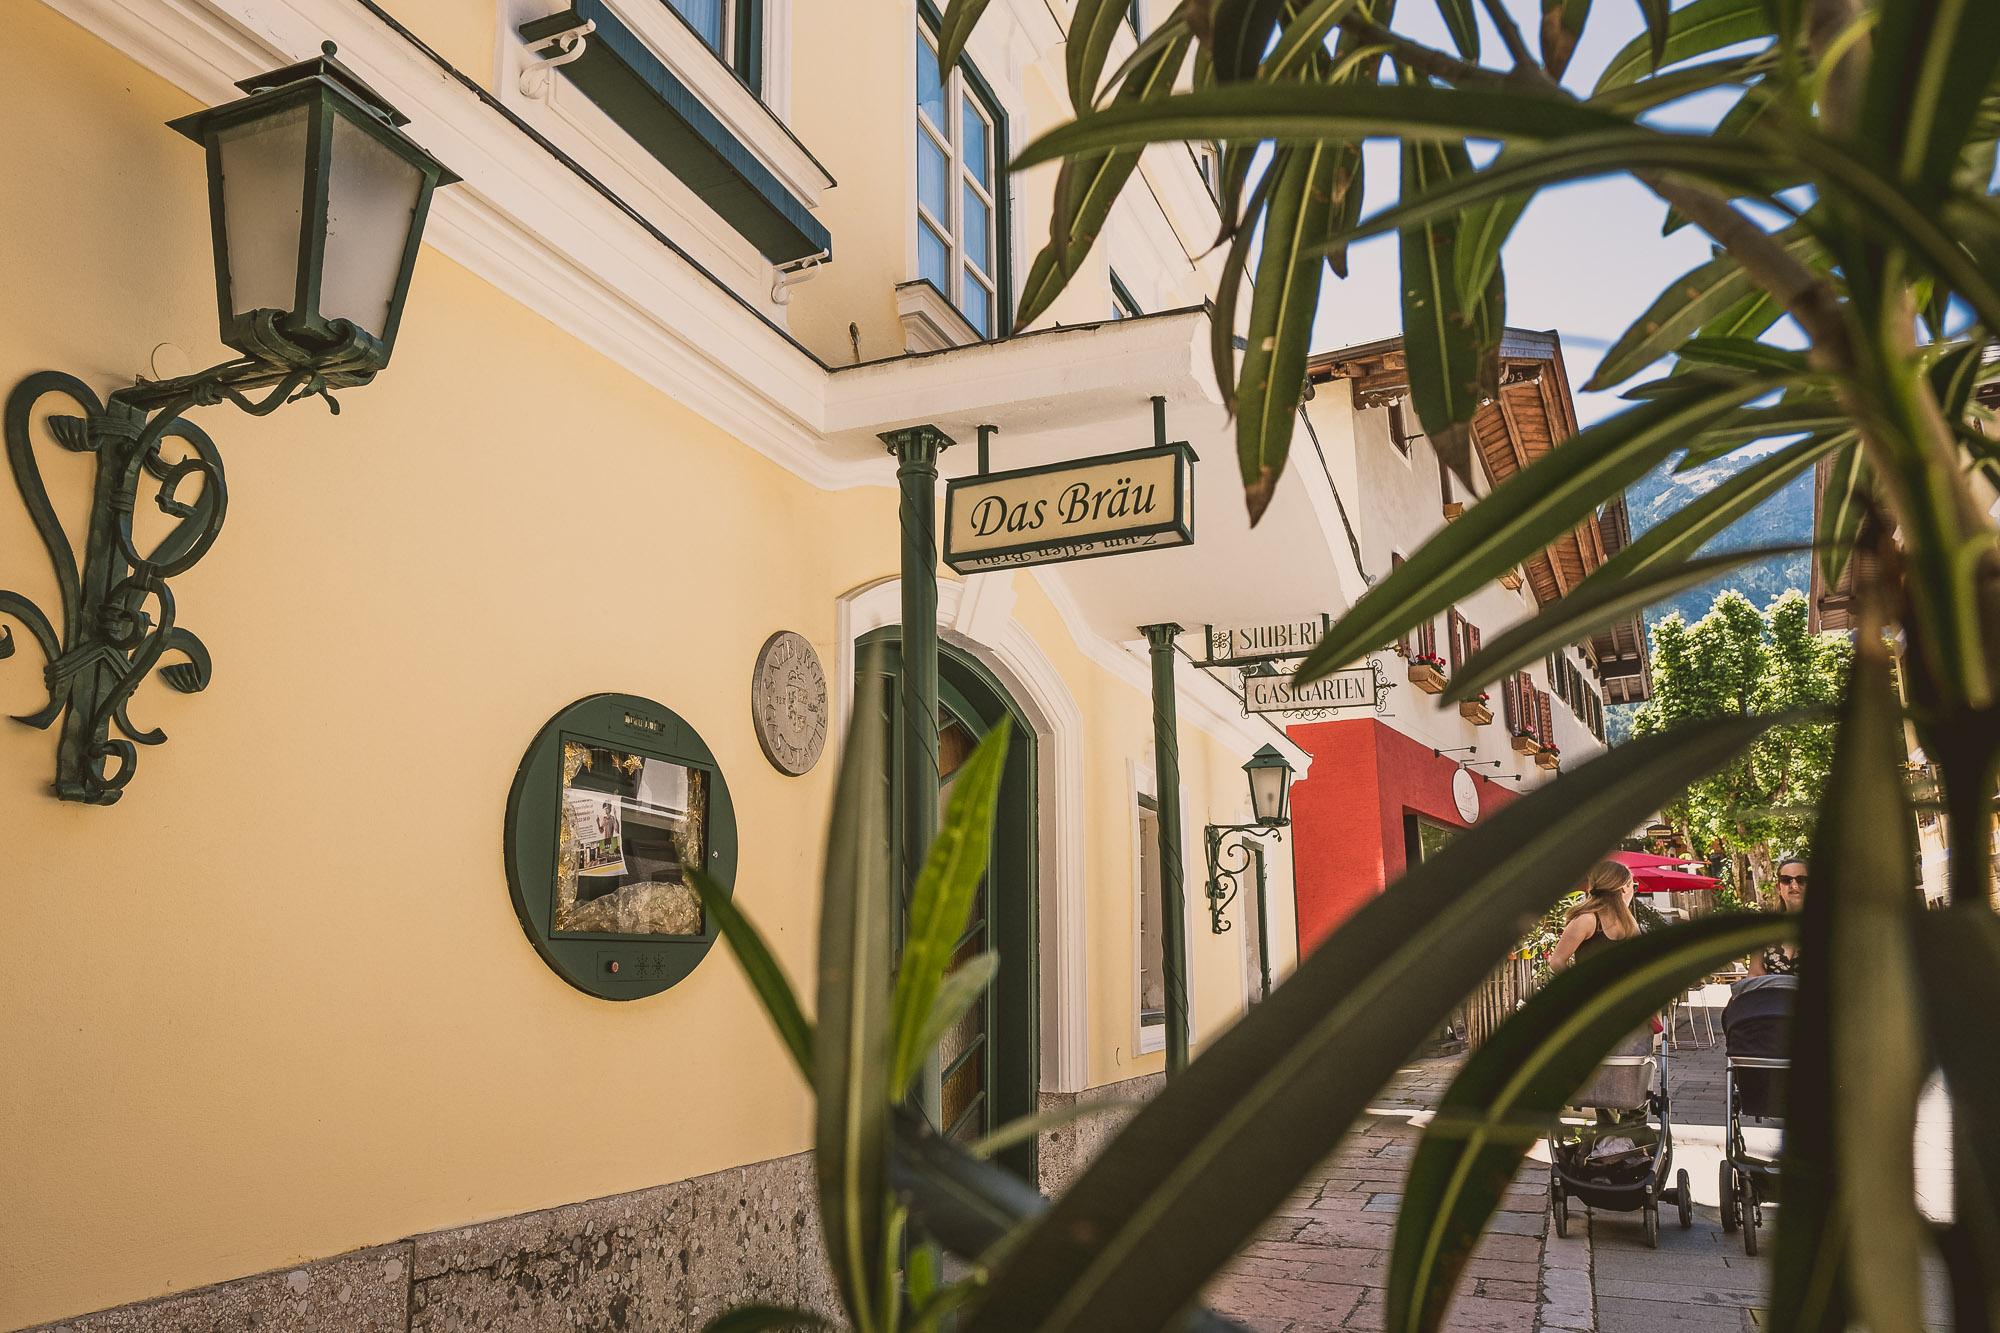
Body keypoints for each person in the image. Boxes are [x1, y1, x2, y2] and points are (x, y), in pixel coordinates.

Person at [1547, 860, 1641, 972]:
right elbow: (1556, 961)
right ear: (1624, 888)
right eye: (1634, 887)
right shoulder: (1587, 920)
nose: (1633, 892)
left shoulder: (1629, 922)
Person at [1747, 856, 1806, 975]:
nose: (1794, 886)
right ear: (1779, 888)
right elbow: (1754, 974)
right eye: (1786, 880)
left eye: (1801, 880)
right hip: (1771, 993)